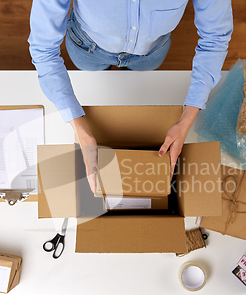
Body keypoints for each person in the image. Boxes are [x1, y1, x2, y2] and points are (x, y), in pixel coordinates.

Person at [28, 0, 233, 193]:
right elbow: (44, 49)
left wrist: (187, 119)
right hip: (88, 47)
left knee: (136, 79)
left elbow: (215, 37)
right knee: (94, 81)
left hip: (150, 53)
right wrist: (81, 132)